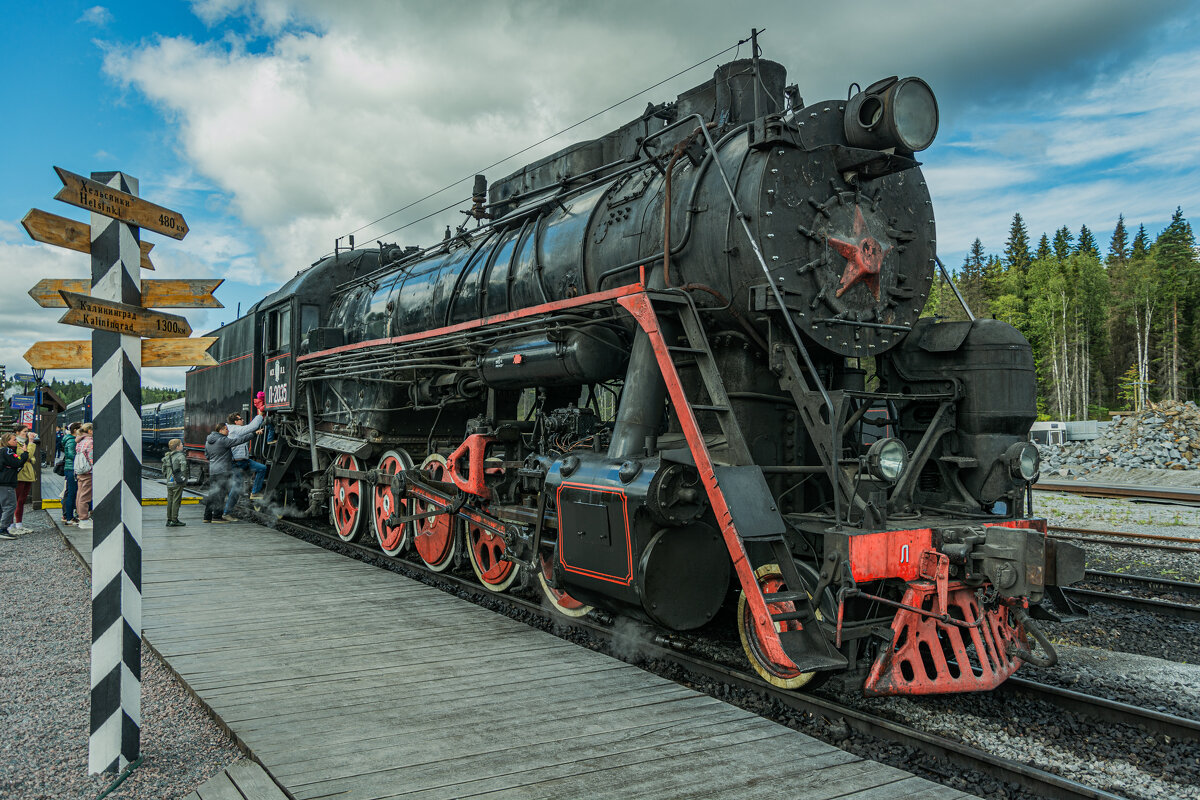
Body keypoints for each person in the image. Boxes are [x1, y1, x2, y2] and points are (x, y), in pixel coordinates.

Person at [204, 414, 264, 523]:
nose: (228, 431)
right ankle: (217, 517)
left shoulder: (208, 441)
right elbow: (238, 441)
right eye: (226, 429)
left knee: (213, 493)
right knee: (221, 494)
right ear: (221, 430)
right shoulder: (222, 440)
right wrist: (254, 434)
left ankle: (207, 517)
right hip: (222, 470)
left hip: (213, 470)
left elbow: (207, 455)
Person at [224, 411, 267, 514]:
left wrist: (256, 433)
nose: (243, 420)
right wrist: (260, 415)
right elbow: (251, 427)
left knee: (262, 468)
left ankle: (255, 492)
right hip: (236, 463)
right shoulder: (234, 429)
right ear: (235, 421)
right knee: (236, 488)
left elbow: (247, 434)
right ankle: (226, 512)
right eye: (240, 419)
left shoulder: (237, 430)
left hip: (245, 461)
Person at [0, 432, 30, 540]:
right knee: (10, 505)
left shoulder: (4, 451)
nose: (16, 441)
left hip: (3, 481)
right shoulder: (6, 451)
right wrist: (25, 453)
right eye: (14, 440)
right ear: (7, 441)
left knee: (2, 506)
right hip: (6, 482)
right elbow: (17, 462)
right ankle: (3, 529)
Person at [12, 424, 38, 534]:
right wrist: (31, 443)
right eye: (24, 432)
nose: (27, 434)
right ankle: (11, 525)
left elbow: (32, 458)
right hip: (20, 474)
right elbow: (26, 456)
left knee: (22, 500)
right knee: (15, 500)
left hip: (28, 474)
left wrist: (28, 457)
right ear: (17, 432)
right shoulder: (15, 443)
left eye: (27, 431)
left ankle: (19, 524)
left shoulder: (23, 443)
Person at [162, 438, 188, 527]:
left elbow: (163, 470)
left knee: (170, 500)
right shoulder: (181, 456)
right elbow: (184, 469)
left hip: (169, 482)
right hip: (177, 482)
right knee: (176, 500)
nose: (182, 446)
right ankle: (174, 520)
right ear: (177, 447)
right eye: (181, 444)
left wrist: (168, 477)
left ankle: (169, 519)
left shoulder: (167, 456)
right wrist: (183, 479)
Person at [75, 423, 95, 530]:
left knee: (80, 494)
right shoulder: (90, 442)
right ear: (90, 431)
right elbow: (92, 458)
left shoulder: (80, 441)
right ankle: (84, 519)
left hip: (80, 471)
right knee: (85, 496)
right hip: (88, 472)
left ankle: (80, 517)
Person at [62, 422, 80, 525]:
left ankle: (68, 516)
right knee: (72, 493)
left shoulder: (69, 439)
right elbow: (71, 454)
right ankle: (69, 517)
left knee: (70, 492)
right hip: (72, 468)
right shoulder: (72, 441)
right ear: (75, 430)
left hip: (70, 468)